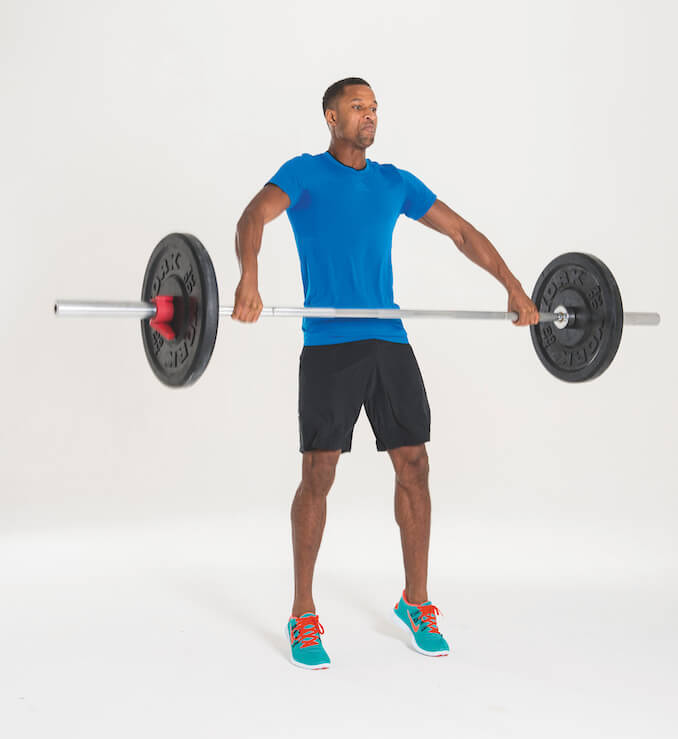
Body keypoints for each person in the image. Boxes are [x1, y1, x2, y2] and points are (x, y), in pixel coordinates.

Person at [232, 77, 538, 670]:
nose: (369, 116)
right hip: (328, 343)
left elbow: (461, 232)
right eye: (357, 107)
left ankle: (416, 602)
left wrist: (514, 285)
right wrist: (249, 275)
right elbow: (252, 218)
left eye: (374, 108)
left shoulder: (394, 181)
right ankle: (302, 613)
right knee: (319, 472)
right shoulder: (303, 173)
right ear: (330, 117)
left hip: (388, 338)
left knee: (415, 466)